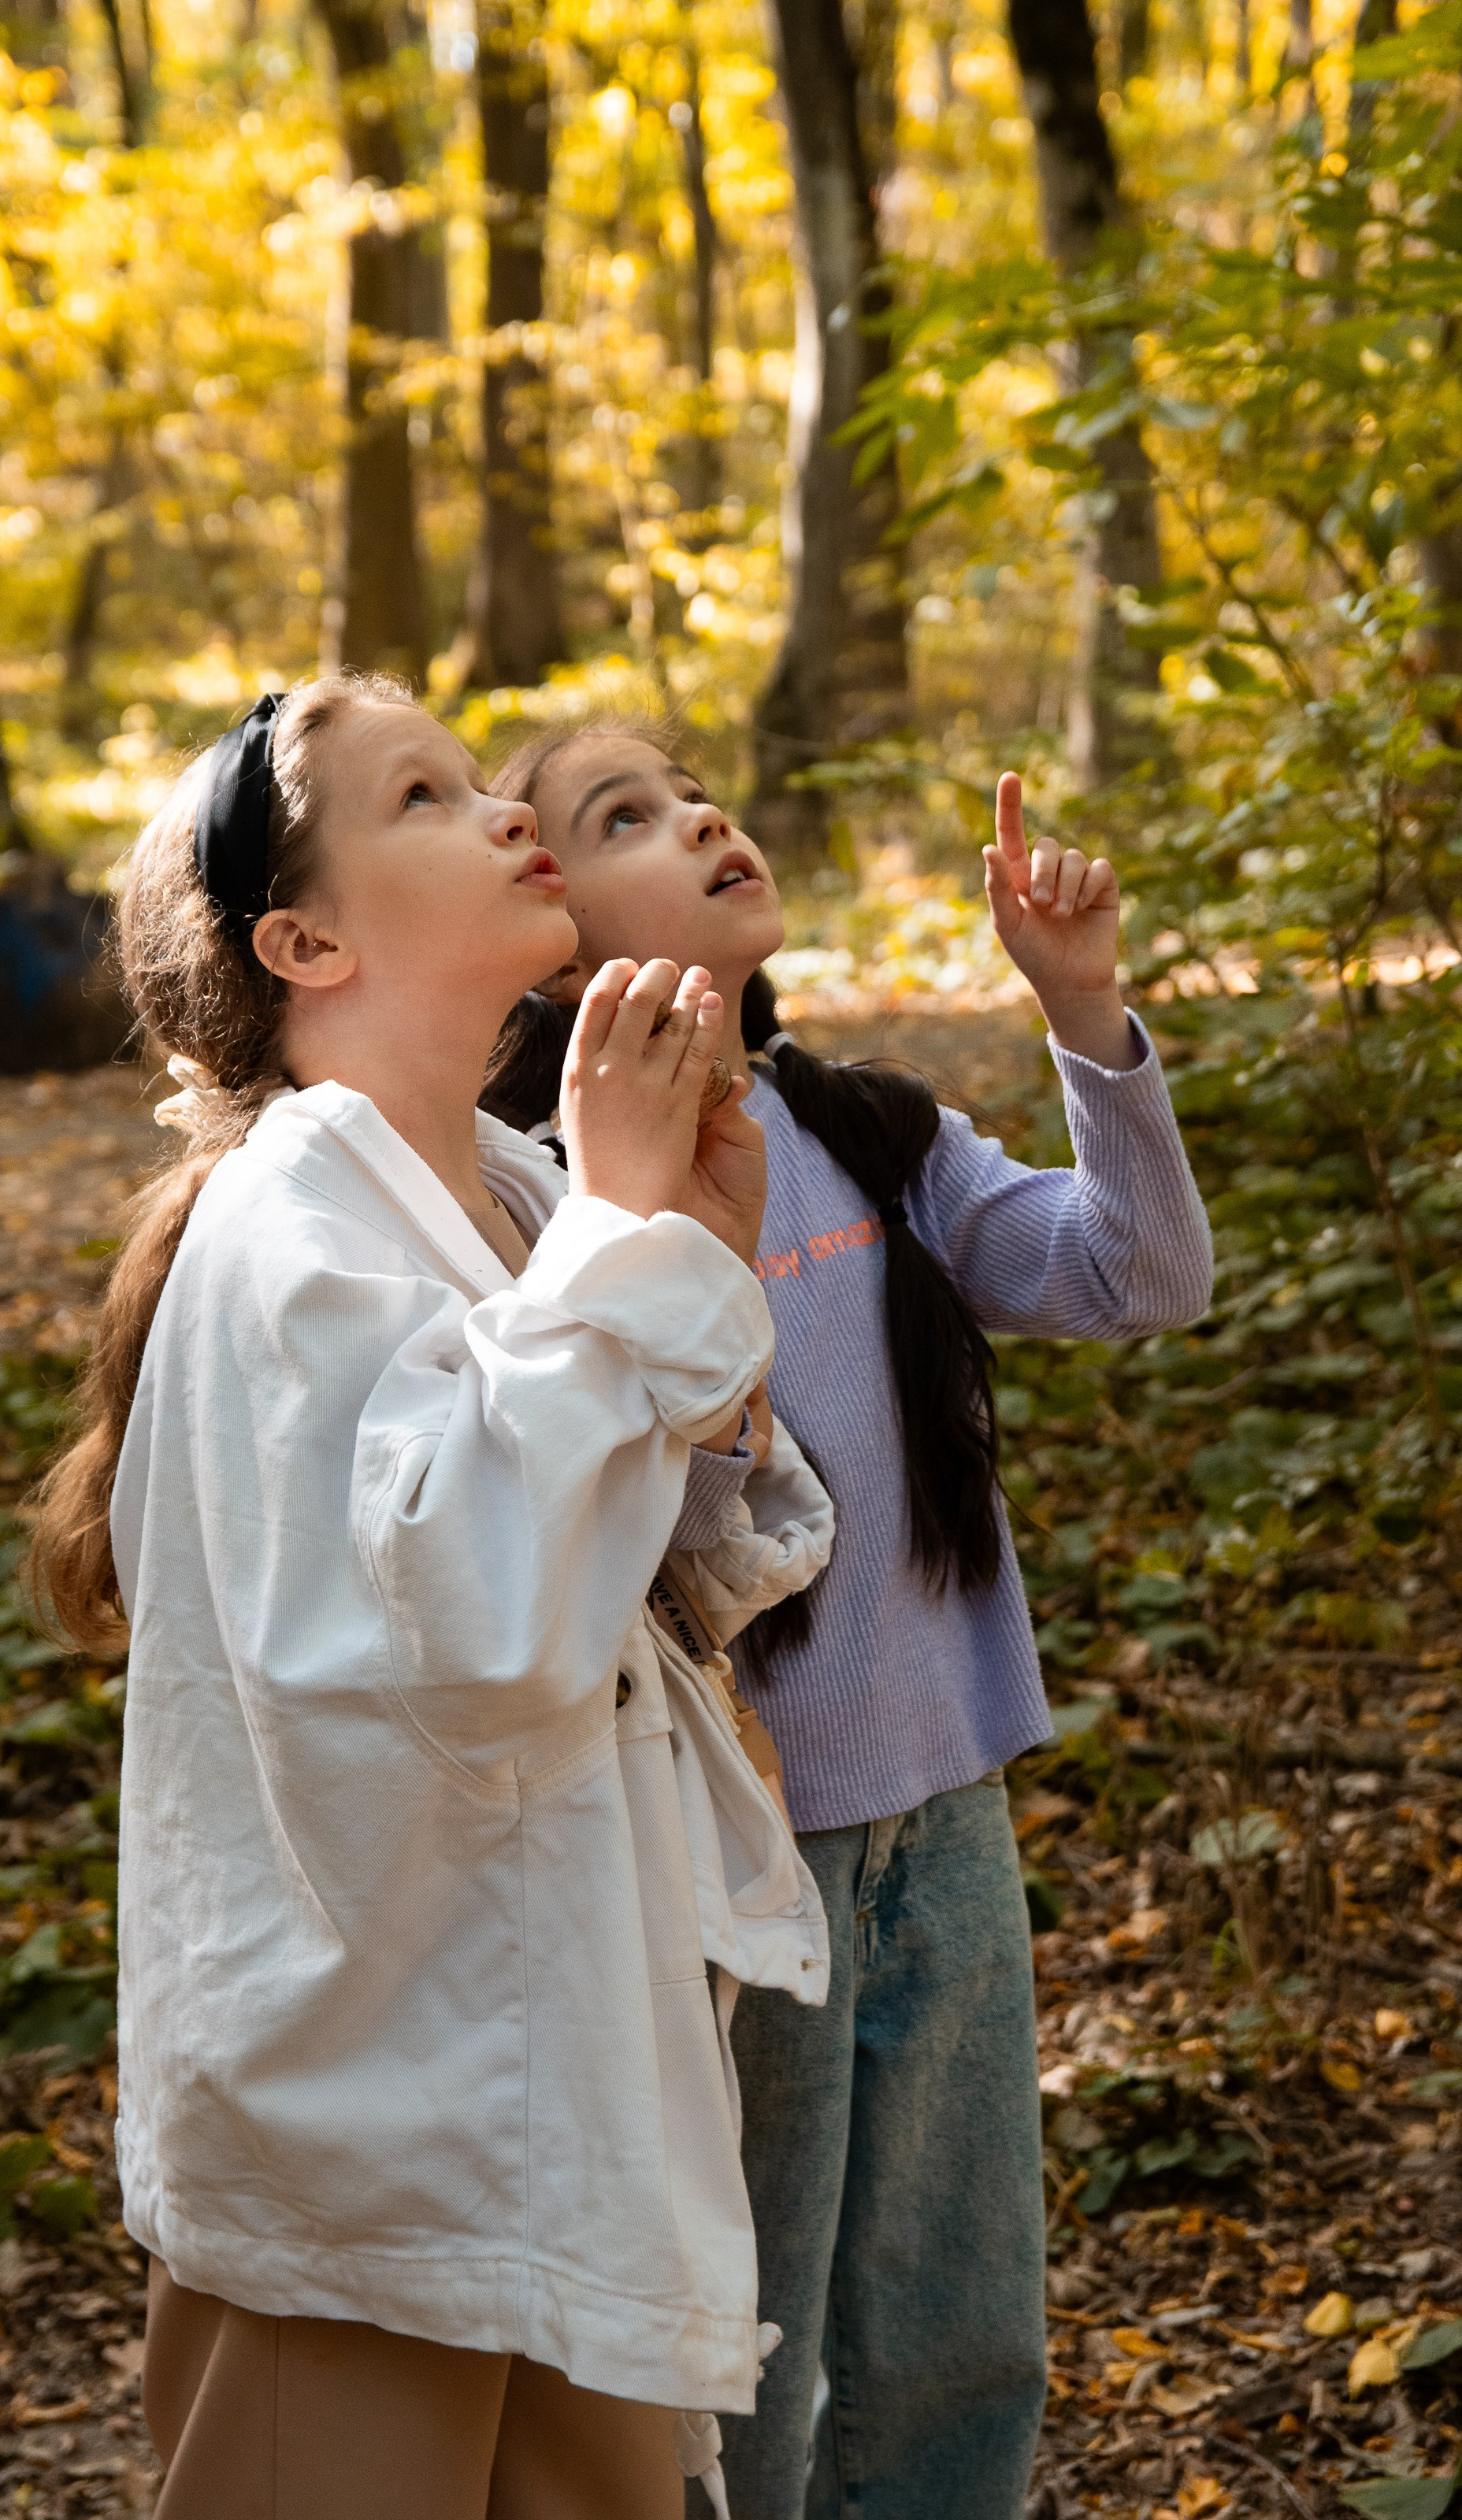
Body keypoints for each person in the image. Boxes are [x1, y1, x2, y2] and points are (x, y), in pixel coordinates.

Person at [28, 676, 837, 2520]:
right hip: (369, 2132)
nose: (498, 810)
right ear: (303, 939)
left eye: (482, 781)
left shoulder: (508, 1180)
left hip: (559, 2098)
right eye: (422, 792)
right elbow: (473, 1634)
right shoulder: (282, 1235)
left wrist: (678, 1272)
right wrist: (632, 1252)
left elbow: (645, 1591)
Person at [481, 725, 1216, 2520]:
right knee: (747, 2354)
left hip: (941, 1810)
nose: (702, 817)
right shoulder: (533, 1207)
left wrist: (1083, 1013)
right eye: (626, 817)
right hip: (723, 1868)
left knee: (961, 2333)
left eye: (690, 788)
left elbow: (1143, 1275)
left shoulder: (869, 1133)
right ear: (550, 932)